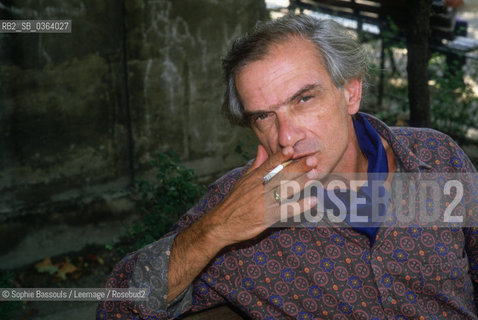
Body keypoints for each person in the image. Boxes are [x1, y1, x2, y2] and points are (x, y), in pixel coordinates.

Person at [97, 14, 478, 319]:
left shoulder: (432, 158)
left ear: (350, 92)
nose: (285, 136)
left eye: (304, 99)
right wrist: (217, 228)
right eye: (264, 116)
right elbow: (118, 307)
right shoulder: (245, 207)